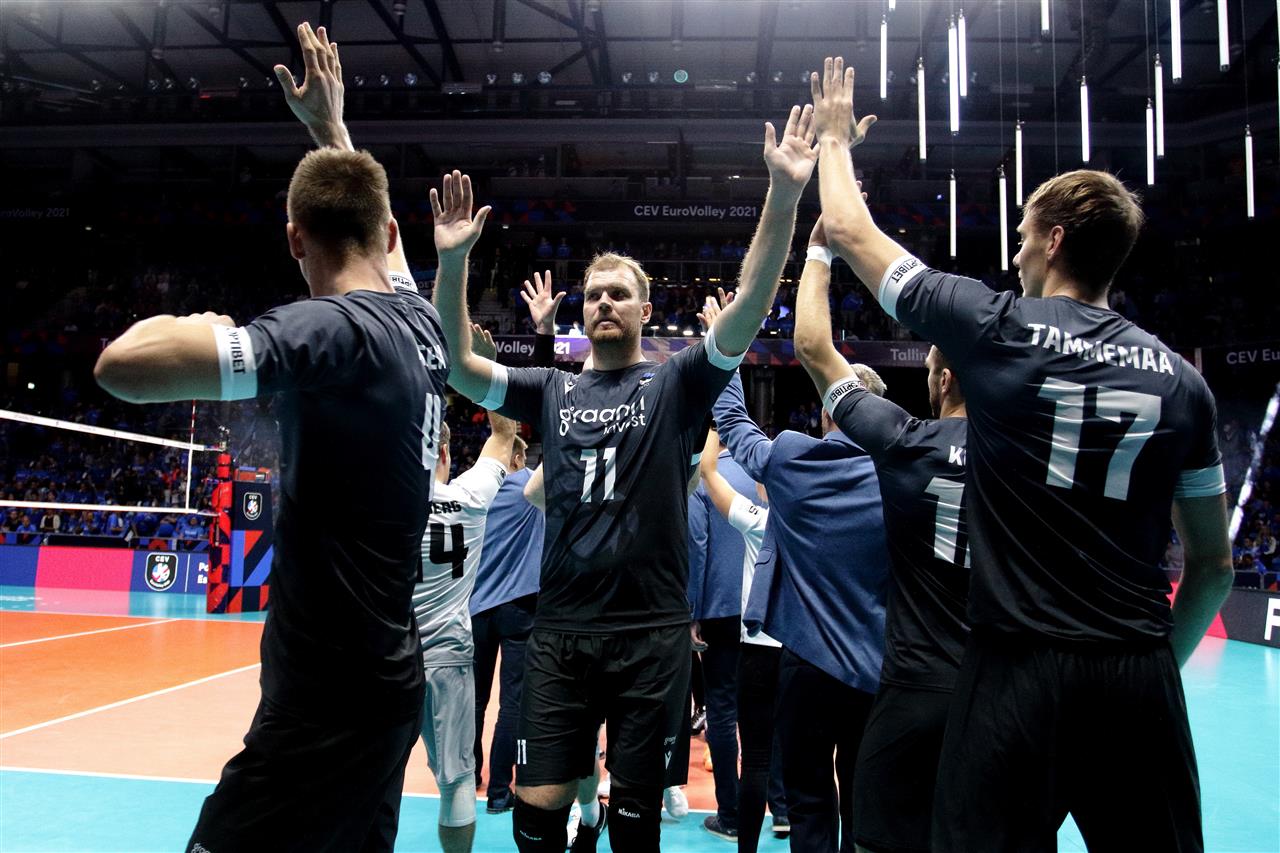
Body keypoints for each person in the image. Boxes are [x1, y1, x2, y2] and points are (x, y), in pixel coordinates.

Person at [810, 55, 1233, 852]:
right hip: (1136, 673)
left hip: (1015, 673)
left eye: (1022, 239)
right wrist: (1152, 669)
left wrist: (834, 140)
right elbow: (1212, 567)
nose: (1014, 258)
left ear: (1054, 240)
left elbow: (856, 236)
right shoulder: (1185, 383)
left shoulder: (999, 329)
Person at [96, 23, 451, 852]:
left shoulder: (323, 332)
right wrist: (331, 127)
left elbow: (121, 367)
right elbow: (376, 226)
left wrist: (200, 323)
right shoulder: (422, 322)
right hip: (388, 678)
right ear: (387, 234)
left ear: (294, 239)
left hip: (325, 701)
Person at [429, 103, 820, 853]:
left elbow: (747, 309)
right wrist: (452, 263)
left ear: (645, 307)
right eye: (594, 293)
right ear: (582, 310)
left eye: (618, 293)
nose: (604, 301)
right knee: (536, 816)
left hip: (651, 636)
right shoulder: (551, 389)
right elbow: (461, 367)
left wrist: (783, 193)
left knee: (637, 827)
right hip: (562, 632)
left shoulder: (676, 384)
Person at [793, 217, 970, 853]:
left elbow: (814, 348)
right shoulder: (1034, 455)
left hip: (915, 691)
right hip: (1003, 692)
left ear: (943, 381)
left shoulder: (907, 442)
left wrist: (819, 251)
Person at [713, 362, 890, 853]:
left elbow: (734, 424)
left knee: (808, 802)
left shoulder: (792, 456)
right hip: (876, 669)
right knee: (863, 799)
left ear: (826, 413)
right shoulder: (898, 468)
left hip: (805, 665)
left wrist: (725, 351)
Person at [414, 349, 518, 853]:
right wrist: (488, 373)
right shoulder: (471, 499)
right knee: (456, 783)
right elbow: (503, 438)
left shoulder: (382, 505)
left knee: (370, 777)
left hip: (387, 657)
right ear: (445, 455)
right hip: (448, 657)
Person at [696, 430, 785, 853]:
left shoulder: (714, 481)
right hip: (774, 621)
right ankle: (782, 809)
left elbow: (697, 543)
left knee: (722, 711)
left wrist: (692, 610)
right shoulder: (778, 483)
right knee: (775, 719)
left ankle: (730, 815)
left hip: (719, 607)